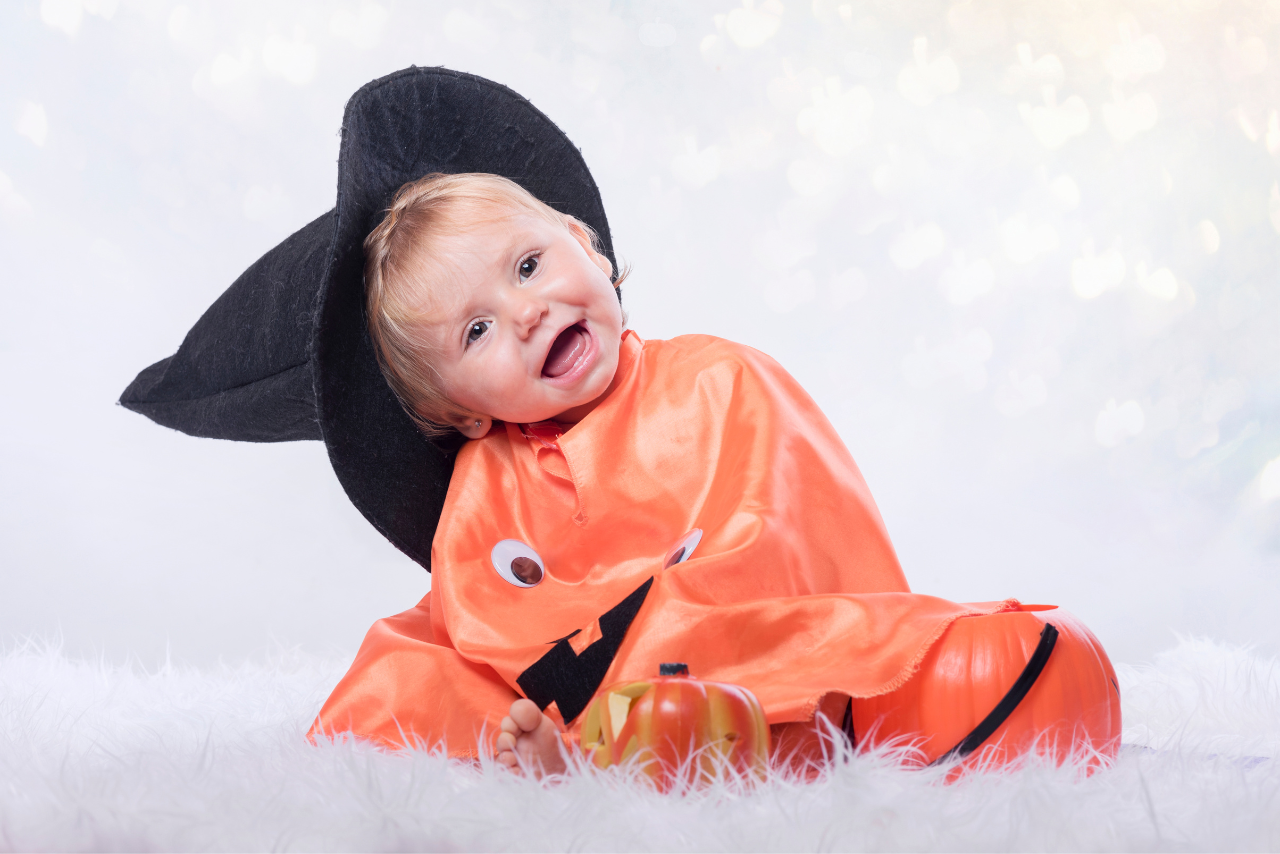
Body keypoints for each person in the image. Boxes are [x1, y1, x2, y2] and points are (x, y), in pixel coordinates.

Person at [308, 171, 1018, 774]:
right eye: (477, 331)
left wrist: (664, 631)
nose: (525, 313)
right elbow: (482, 619)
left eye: (528, 267)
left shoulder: (717, 379)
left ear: (583, 243)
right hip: (582, 669)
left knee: (983, 655)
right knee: (404, 669)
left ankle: (681, 731)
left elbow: (777, 533)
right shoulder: (487, 479)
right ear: (462, 411)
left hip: (728, 645)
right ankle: (593, 748)